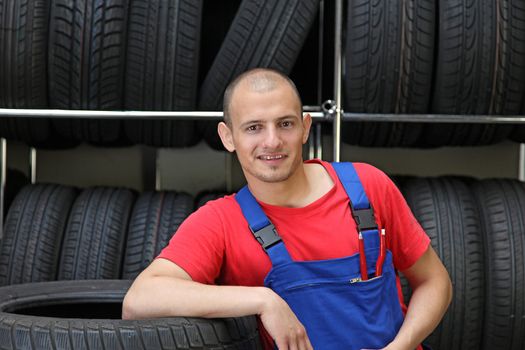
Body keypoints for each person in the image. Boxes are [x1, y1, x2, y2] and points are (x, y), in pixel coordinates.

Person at [122, 68, 452, 350]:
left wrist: (401, 346)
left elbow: (434, 281)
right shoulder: (220, 222)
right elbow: (140, 300)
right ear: (228, 137)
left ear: (305, 127)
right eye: (253, 127)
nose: (272, 141)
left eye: (285, 124)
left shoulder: (367, 186)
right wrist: (263, 300)